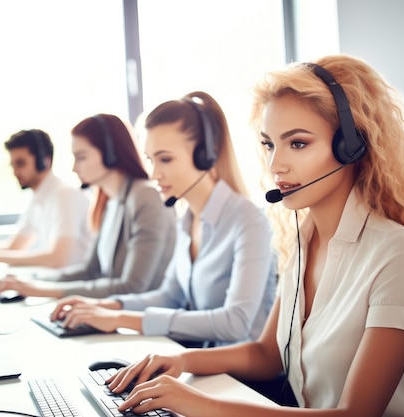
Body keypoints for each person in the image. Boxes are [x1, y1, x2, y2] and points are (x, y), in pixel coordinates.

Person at [102, 56, 404, 417]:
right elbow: (266, 355)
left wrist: (201, 405)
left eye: (297, 143)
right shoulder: (303, 243)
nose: (276, 165)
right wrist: (178, 360)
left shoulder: (397, 255)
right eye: (269, 144)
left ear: (351, 147)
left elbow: (355, 413)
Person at [49, 91, 277, 347]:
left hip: (245, 382)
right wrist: (102, 306)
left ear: (205, 154)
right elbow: (169, 296)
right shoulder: (187, 219)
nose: (155, 174)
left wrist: (120, 318)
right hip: (204, 366)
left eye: (165, 159)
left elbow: (235, 322)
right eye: (150, 160)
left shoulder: (249, 221)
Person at [0, 114, 176, 299]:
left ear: (110, 153)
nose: (74, 168)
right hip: (108, 311)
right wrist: (31, 280)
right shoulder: (109, 201)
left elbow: (132, 286)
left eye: (81, 157)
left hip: (141, 319)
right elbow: (90, 271)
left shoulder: (145, 196)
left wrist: (41, 290)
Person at [0, 129, 92, 268]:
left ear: (45, 161)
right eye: (13, 165)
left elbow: (57, 259)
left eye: (20, 163)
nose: (15, 172)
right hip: (55, 280)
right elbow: (15, 247)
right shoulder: (38, 199)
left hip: (74, 284)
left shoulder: (65, 196)